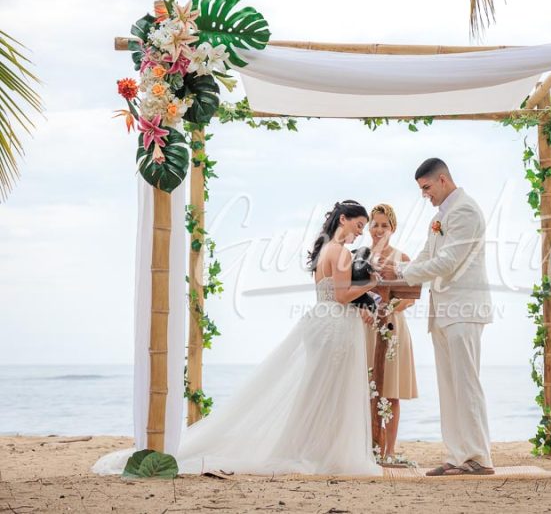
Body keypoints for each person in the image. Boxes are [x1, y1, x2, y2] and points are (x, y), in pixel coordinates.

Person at [93, 200, 382, 476]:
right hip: (334, 326)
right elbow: (343, 295)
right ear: (343, 219)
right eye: (358, 225)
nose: (360, 232)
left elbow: (331, 292)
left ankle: (309, 448)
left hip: (320, 322)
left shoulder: (324, 251)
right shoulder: (341, 253)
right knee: (331, 391)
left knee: (316, 390)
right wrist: (371, 283)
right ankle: (322, 452)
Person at [380, 158, 495, 476]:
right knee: (449, 385)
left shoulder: (466, 211)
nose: (424, 195)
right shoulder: (441, 216)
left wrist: (400, 270)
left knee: (466, 383)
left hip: (464, 309)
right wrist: (395, 273)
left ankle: (478, 457)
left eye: (426, 188)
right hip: (444, 311)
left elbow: (447, 262)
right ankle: (458, 455)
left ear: (443, 180)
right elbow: (427, 256)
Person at [364, 203, 418, 462]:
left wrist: (389, 307)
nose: (379, 229)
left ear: (393, 228)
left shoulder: (402, 259)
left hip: (393, 327)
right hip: (366, 329)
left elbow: (411, 298)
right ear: (368, 226)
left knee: (391, 390)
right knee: (366, 388)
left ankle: (390, 450)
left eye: (385, 225)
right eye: (375, 224)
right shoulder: (360, 258)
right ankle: (369, 446)